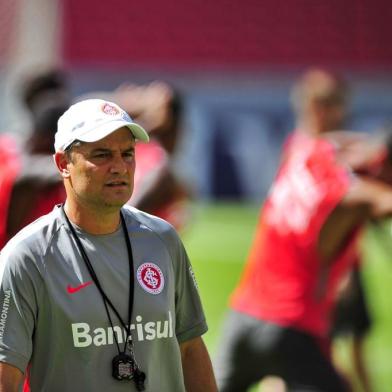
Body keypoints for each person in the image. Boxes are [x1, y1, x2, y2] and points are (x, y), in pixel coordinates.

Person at [0, 99, 217, 391]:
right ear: (64, 164)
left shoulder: (163, 239)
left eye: (127, 154)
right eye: (101, 155)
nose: (119, 167)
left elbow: (190, 348)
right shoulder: (26, 257)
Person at [214, 69, 392, 392]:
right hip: (292, 326)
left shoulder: (303, 150)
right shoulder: (354, 194)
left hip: (243, 316)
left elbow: (338, 145)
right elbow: (383, 199)